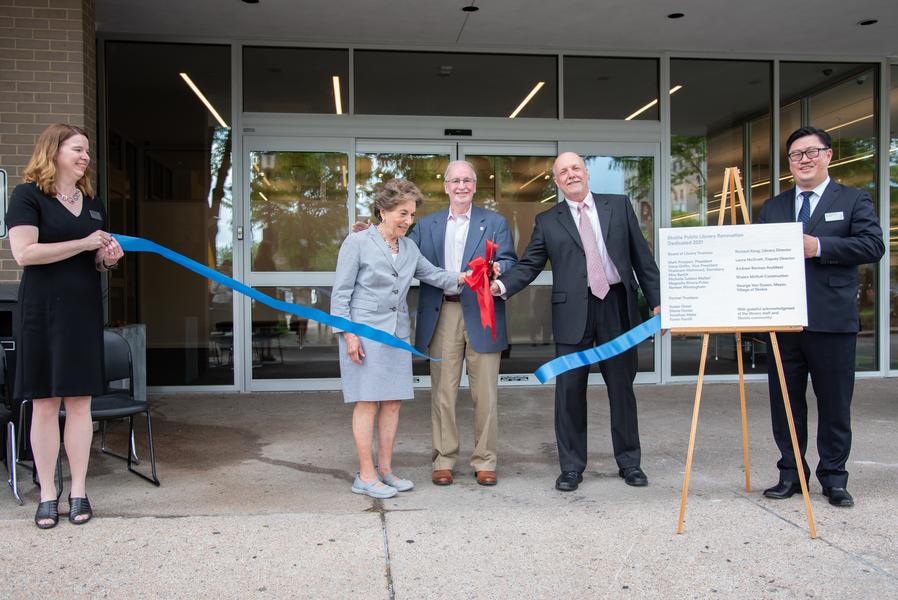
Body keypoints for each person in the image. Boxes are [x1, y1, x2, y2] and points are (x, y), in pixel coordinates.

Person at [492, 152, 661, 492]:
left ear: (585, 172)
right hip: (572, 314)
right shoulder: (547, 220)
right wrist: (501, 285)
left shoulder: (618, 205)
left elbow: (642, 258)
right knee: (569, 393)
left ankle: (630, 463)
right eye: (562, 172)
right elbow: (529, 264)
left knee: (621, 390)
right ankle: (571, 467)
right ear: (556, 181)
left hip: (617, 307)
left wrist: (657, 301)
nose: (570, 175)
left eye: (575, 168)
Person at [757, 126, 884, 508]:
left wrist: (819, 246)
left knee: (834, 404)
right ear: (789, 164)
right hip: (783, 323)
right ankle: (791, 474)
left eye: (811, 151)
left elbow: (873, 244)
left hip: (832, 322)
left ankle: (834, 477)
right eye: (796, 155)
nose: (804, 159)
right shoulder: (774, 207)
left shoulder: (853, 198)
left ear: (828, 155)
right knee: (785, 404)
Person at [5, 123, 124, 528]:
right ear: (53, 151)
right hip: (41, 312)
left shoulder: (92, 201)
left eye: (87, 150)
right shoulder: (27, 196)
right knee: (44, 402)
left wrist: (108, 257)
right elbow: (24, 253)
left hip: (82, 311)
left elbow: (96, 260)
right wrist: (84, 242)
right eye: (77, 149)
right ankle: (47, 494)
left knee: (79, 403)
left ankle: (77, 491)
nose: (85, 156)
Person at [331, 179, 467, 499]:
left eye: (412, 215)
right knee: (367, 403)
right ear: (383, 211)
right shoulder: (358, 242)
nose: (408, 221)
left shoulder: (409, 247)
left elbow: (435, 275)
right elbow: (341, 295)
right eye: (402, 214)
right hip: (363, 334)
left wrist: (468, 277)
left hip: (396, 335)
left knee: (392, 404)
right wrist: (349, 335)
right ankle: (365, 475)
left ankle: (386, 470)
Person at [406, 160, 516, 487]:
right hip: (442, 312)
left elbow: (509, 259)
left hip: (483, 312)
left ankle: (485, 460)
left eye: (467, 180)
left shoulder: (494, 222)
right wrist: (367, 231)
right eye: (455, 180)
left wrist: (498, 271)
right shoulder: (426, 226)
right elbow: (399, 247)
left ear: (475, 185)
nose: (461, 186)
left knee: (485, 392)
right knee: (442, 392)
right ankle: (444, 459)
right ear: (445, 186)